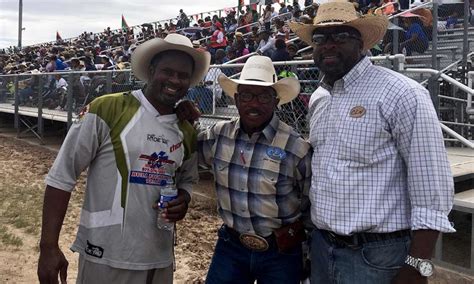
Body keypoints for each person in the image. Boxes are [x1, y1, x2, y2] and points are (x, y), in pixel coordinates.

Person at [289, 1, 454, 283]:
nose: (328, 45)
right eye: (320, 38)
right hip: (322, 249)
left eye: (341, 37)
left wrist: (417, 266)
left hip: (378, 257)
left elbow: (432, 190)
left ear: (362, 43)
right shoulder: (319, 98)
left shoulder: (402, 94)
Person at [37, 34, 211, 284]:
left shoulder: (186, 129)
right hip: (105, 256)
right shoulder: (107, 109)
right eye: (167, 71)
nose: (175, 80)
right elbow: (61, 177)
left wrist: (184, 198)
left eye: (183, 75)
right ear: (151, 70)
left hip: (160, 259)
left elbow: (187, 180)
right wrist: (48, 247)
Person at [181, 55, 312, 284]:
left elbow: (309, 203)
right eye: (248, 96)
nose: (254, 103)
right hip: (231, 246)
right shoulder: (218, 135)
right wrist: (183, 119)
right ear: (237, 99)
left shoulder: (296, 147)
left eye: (263, 96)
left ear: (275, 100)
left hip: (281, 250)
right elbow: (183, 153)